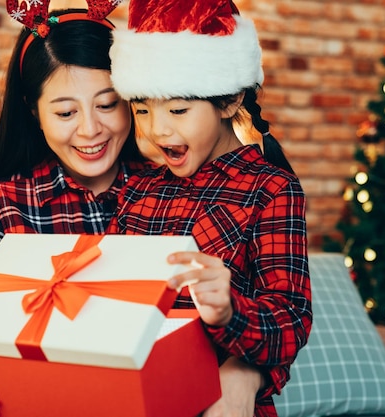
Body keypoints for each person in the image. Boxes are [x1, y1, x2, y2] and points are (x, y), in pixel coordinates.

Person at [0, 4, 265, 417]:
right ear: (35, 113)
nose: (90, 130)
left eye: (108, 104)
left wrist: (245, 372)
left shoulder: (175, 185)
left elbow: (249, 306)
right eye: (66, 112)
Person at [106, 0, 312, 416]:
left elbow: (291, 321)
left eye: (178, 109)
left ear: (231, 100)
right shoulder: (137, 191)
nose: (157, 128)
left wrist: (230, 310)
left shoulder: (271, 189)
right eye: (142, 108)